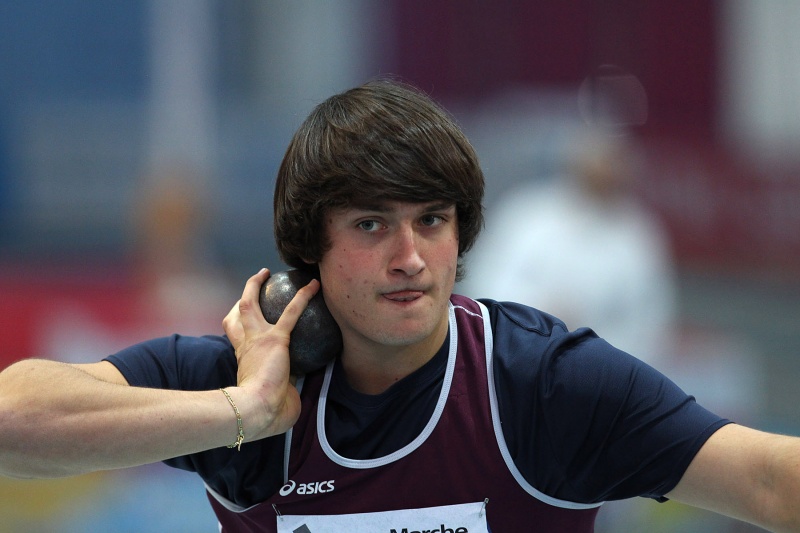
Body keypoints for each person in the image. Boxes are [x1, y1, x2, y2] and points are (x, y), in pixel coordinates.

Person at [0, 79, 798, 532]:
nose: (410, 256)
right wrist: (241, 413)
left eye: (432, 221)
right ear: (308, 249)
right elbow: (12, 420)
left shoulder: (542, 385)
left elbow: (769, 479)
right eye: (372, 224)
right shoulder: (238, 383)